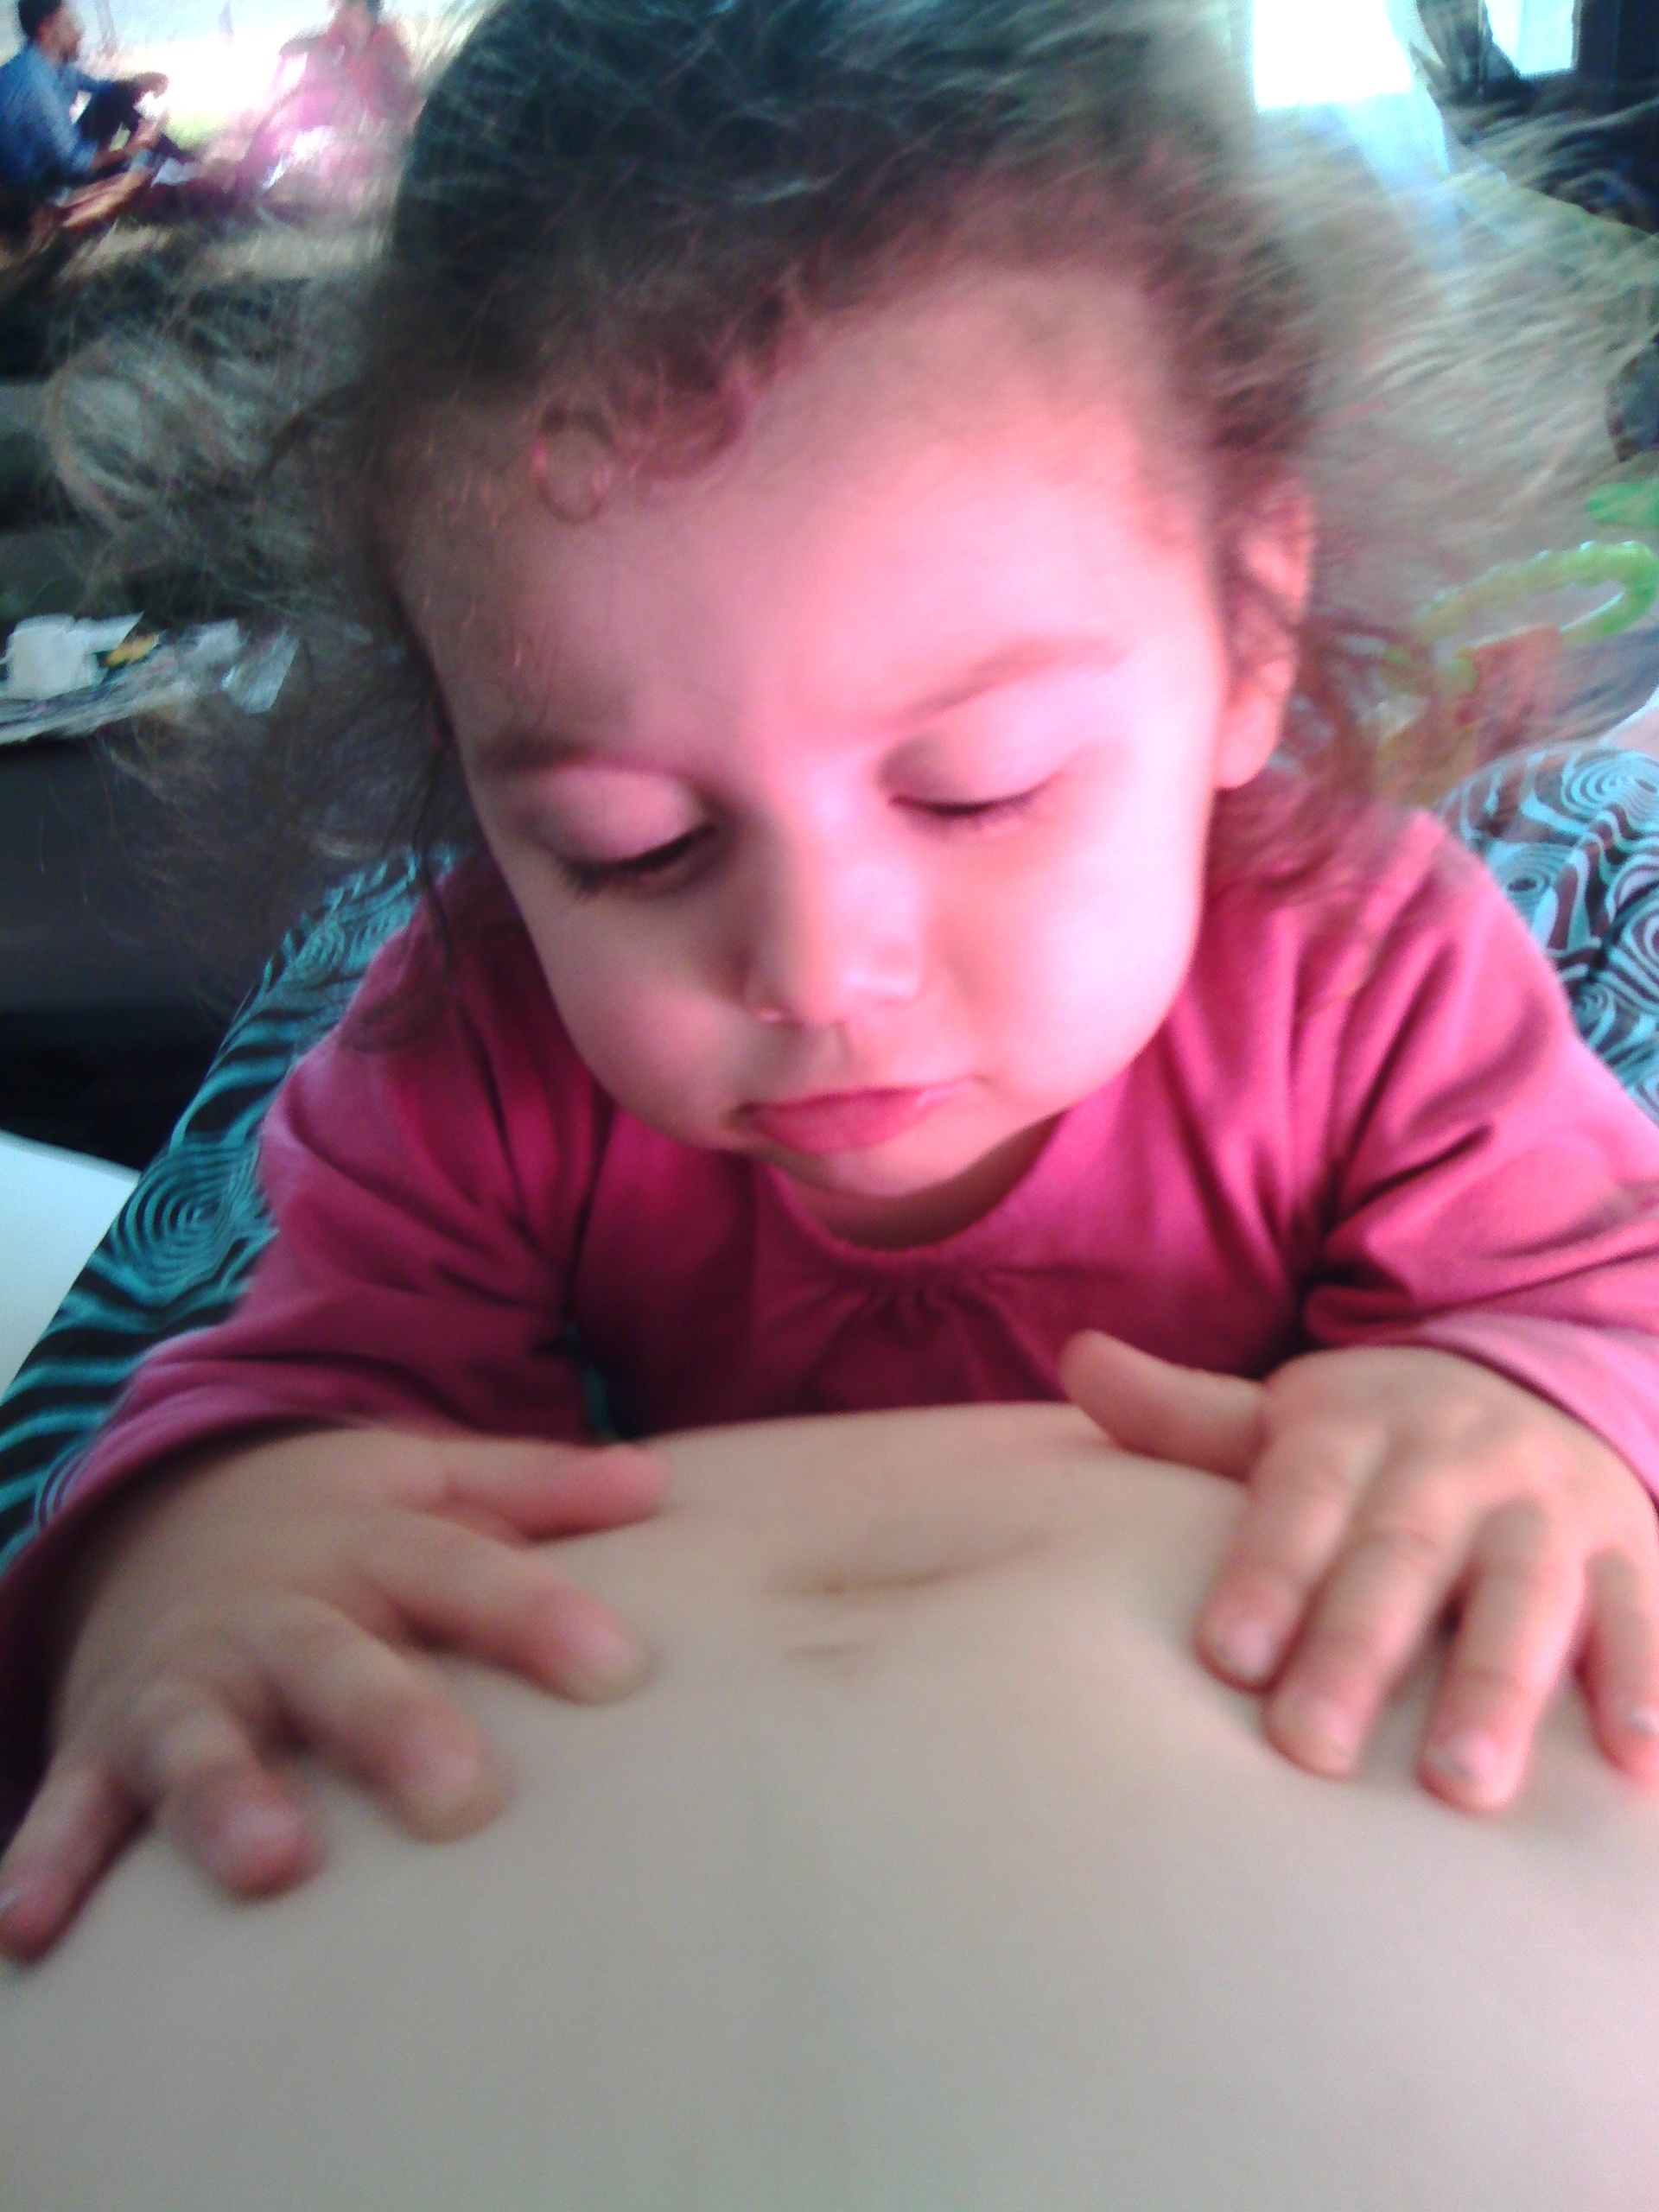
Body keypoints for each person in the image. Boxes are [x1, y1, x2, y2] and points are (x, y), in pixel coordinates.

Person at [2, 0, 1658, 1965]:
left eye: (976, 786)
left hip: (1250, 1844)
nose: (812, 968)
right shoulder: (467, 1049)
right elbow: (287, 1398)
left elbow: (1596, 1296)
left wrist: (1510, 1400)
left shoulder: (1375, 973)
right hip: (734, 1867)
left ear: (1246, 635)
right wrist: (201, 1548)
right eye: (630, 843)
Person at [0, 0, 167, 218]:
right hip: (34, 187)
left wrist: (138, 82)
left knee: (119, 93)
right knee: (135, 173)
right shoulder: (35, 84)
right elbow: (74, 162)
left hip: (50, 166)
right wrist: (130, 149)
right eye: (70, 24)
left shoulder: (50, 63)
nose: (80, 31)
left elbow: (103, 89)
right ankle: (156, 163)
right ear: (45, 29)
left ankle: (163, 157)